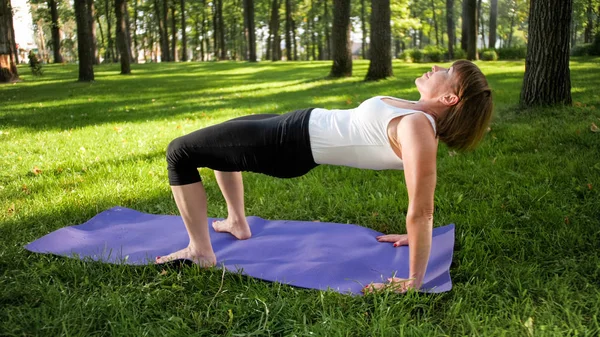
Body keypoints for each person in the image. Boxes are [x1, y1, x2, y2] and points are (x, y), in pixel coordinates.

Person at [158, 60, 493, 293]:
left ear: (449, 98)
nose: (436, 68)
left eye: (446, 71)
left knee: (180, 152)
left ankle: (200, 251)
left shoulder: (418, 128)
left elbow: (422, 207)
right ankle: (236, 222)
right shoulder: (416, 114)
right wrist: (414, 236)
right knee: (223, 140)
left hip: (289, 144)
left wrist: (414, 279)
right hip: (296, 125)